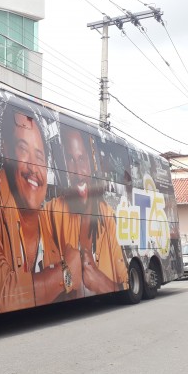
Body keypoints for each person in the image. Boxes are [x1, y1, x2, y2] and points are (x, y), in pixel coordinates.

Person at [0, 109, 83, 317]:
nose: (33, 167)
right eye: (23, 149)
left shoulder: (52, 231)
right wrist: (64, 274)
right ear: (5, 150)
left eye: (39, 156)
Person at [46, 126, 128, 295]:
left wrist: (100, 281)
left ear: (92, 164)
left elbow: (123, 282)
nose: (77, 171)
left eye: (82, 159)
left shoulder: (107, 216)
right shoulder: (52, 211)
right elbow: (52, 287)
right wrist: (68, 272)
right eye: (71, 159)